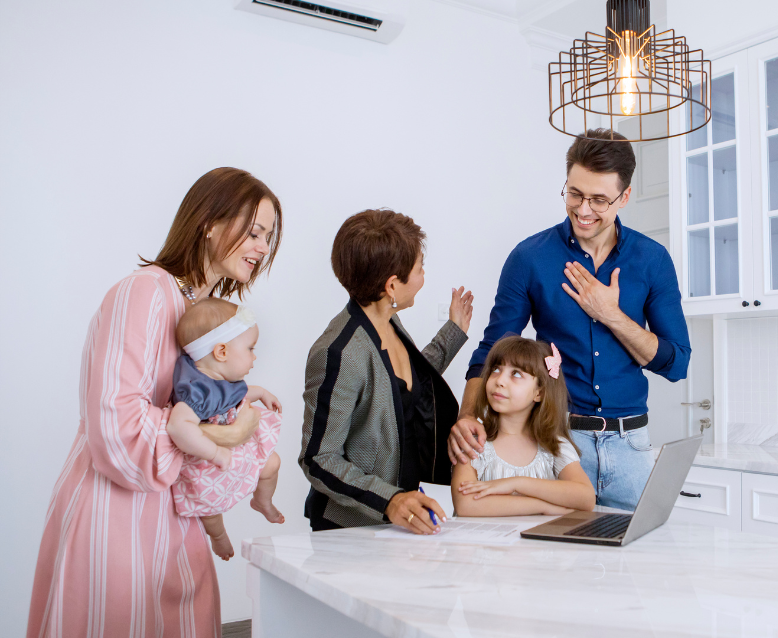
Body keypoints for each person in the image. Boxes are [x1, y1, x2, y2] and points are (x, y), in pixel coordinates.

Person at [27, 167, 283, 637]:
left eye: (267, 237)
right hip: (117, 514)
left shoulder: (196, 307)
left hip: (171, 512)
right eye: (252, 231)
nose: (262, 248)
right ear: (208, 222)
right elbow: (117, 428)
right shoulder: (144, 292)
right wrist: (226, 434)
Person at [449, 129, 691, 512]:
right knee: (556, 566)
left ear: (624, 197)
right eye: (575, 194)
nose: (583, 210)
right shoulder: (529, 258)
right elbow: (491, 351)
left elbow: (677, 364)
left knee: (637, 566)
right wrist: (466, 417)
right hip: (557, 442)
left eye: (598, 199)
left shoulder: (652, 259)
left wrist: (611, 315)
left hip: (631, 446)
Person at [300, 209, 474, 535]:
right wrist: (390, 501)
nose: (424, 276)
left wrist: (453, 332)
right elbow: (318, 459)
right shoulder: (337, 353)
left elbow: (399, 387)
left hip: (401, 525)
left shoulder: (387, 320)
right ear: (392, 285)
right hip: (354, 532)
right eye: (420, 268)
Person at [167, 298, 285, 561]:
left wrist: (261, 392)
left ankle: (262, 502)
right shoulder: (196, 391)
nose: (255, 356)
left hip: (237, 451)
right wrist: (214, 454)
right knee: (209, 507)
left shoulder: (221, 376)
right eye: (250, 348)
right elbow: (178, 426)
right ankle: (218, 537)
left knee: (272, 463)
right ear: (221, 352)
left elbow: (235, 394)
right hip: (207, 464)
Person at [452, 336, 595, 516]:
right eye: (495, 370)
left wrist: (516, 483)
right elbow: (466, 506)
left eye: (516, 374)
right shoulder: (472, 443)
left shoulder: (554, 446)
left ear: (539, 393)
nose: (500, 380)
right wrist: (543, 507)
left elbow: (586, 498)